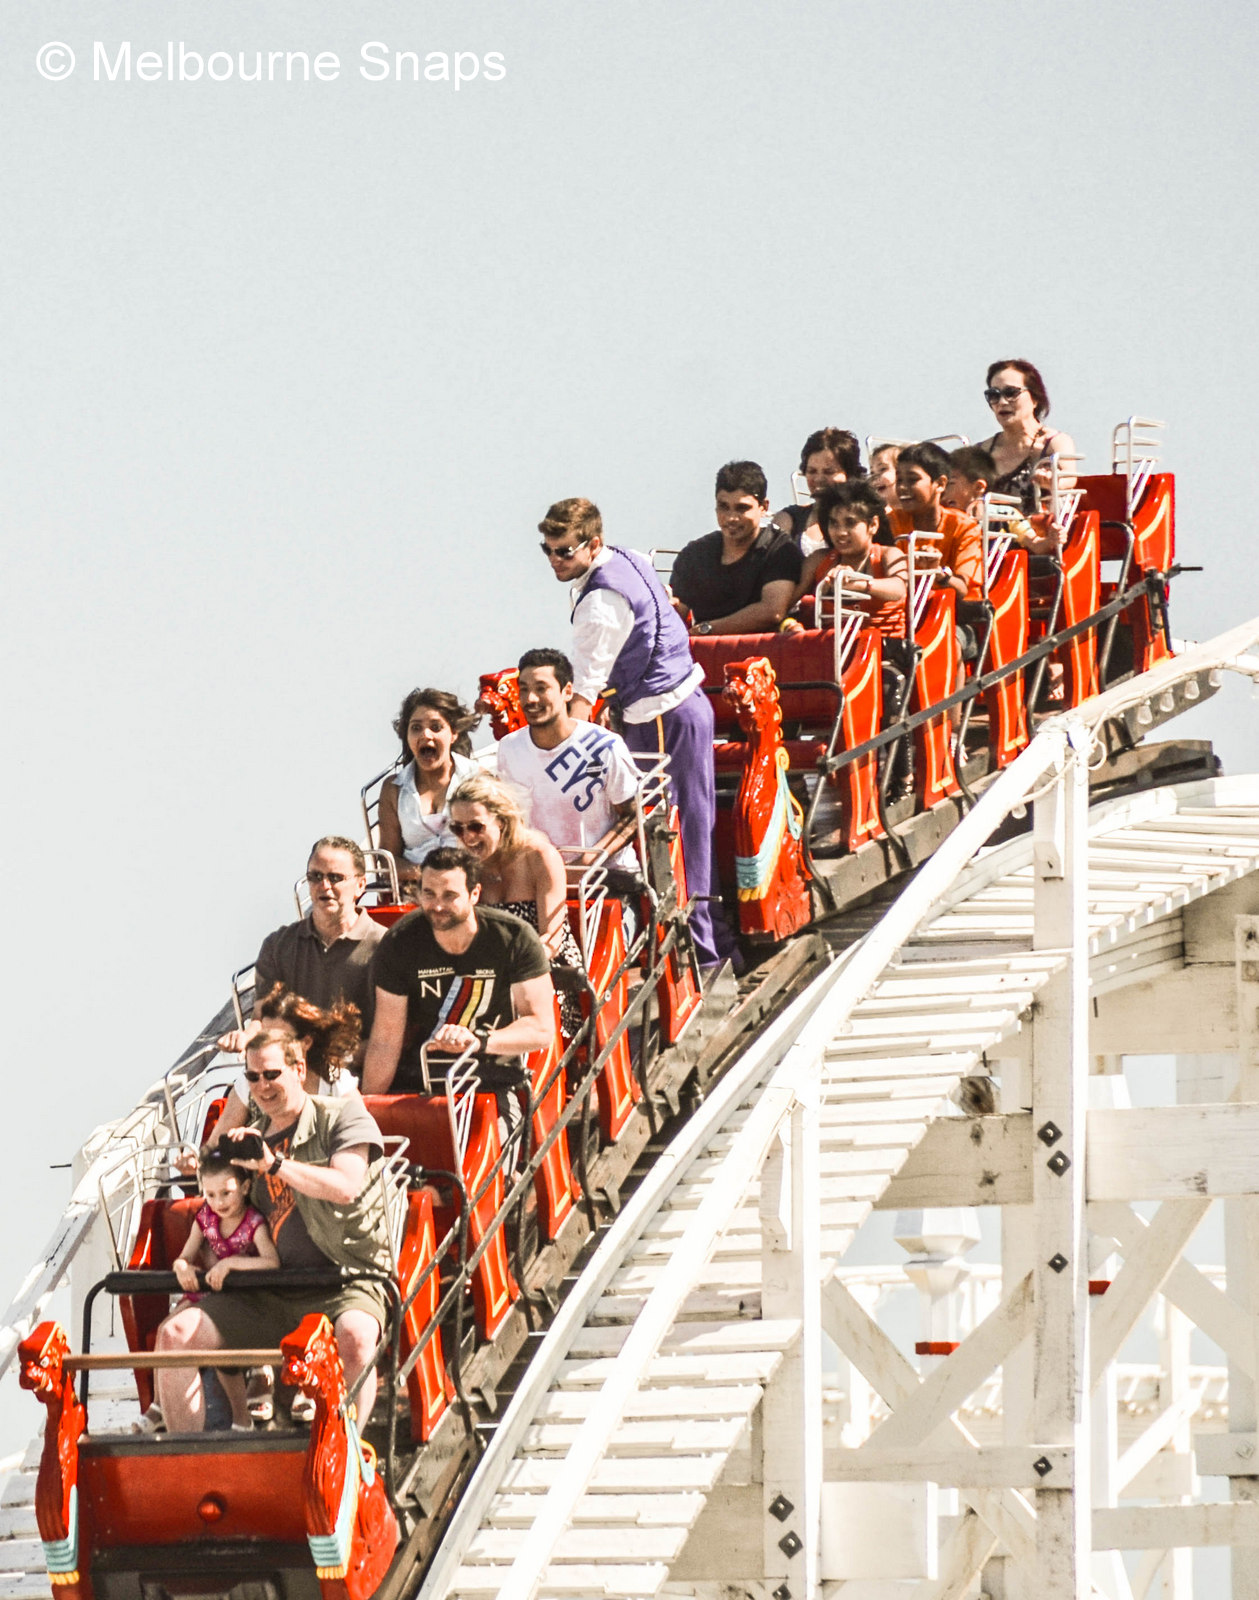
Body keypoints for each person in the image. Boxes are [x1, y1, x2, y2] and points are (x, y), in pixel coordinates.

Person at [154, 1022, 393, 1433]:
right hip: (272, 1286)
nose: (262, 1086)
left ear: (300, 1069)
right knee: (174, 1334)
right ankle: (187, 1460)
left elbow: (346, 1186)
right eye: (252, 1077)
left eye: (271, 1074)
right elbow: (221, 1216)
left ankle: (346, 1448)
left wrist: (274, 1165)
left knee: (354, 1336)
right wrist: (194, 1262)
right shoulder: (247, 1141)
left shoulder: (342, 1116)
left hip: (346, 1281)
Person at [535, 504, 733, 968]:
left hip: (659, 716)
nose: (554, 561)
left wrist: (560, 751)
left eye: (564, 551)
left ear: (593, 544)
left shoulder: (600, 607)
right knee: (693, 826)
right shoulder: (630, 560)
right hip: (683, 702)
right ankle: (713, 942)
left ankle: (701, 951)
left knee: (674, 834)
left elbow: (583, 690)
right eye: (547, 551)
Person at [214, 837, 383, 1138]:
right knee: (242, 1092)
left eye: (335, 878)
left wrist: (327, 1054)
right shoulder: (279, 945)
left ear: (360, 885)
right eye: (315, 877)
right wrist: (245, 1038)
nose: (324, 887)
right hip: (286, 1072)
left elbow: (393, 1037)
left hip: (349, 1075)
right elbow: (263, 1019)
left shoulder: (385, 948)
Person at [361, 847, 556, 1095]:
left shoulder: (513, 937)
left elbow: (541, 1028)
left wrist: (479, 1040)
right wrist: (369, 1110)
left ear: (474, 894)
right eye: (429, 894)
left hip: (491, 1077)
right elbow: (385, 1040)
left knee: (495, 1132)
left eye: (450, 895)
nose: (438, 906)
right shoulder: (400, 942)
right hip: (421, 1078)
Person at [448, 770, 585, 1034]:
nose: (468, 838)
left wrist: (513, 972)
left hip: (546, 966)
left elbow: (551, 938)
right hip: (488, 972)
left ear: (501, 820)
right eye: (458, 828)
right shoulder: (465, 869)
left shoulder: (539, 857)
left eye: (476, 827)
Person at [495, 648, 640, 869]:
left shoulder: (605, 745)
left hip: (605, 875)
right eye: (523, 690)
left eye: (542, 689)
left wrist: (588, 861)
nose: (530, 699)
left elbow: (633, 816)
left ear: (567, 691)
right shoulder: (509, 748)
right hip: (538, 874)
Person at [670, 461, 803, 635]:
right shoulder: (695, 554)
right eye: (724, 507)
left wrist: (707, 629)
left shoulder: (780, 550)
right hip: (703, 656)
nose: (731, 518)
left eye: (742, 508)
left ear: (764, 507)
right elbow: (676, 614)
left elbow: (772, 611)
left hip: (764, 655)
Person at [377, 688, 480, 883]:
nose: (425, 734)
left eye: (436, 727)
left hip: (469, 885)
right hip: (415, 890)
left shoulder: (478, 780)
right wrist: (427, 875)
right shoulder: (394, 789)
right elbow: (387, 861)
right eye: (416, 728)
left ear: (454, 733)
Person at [806, 481, 909, 641]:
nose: (841, 532)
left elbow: (899, 588)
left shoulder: (888, 554)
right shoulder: (819, 560)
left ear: (873, 524)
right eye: (834, 523)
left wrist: (859, 584)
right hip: (832, 650)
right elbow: (788, 603)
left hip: (885, 654)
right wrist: (790, 624)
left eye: (850, 523)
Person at [887, 441, 984, 602]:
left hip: (955, 615)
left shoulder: (964, 527)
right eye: (899, 481)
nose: (903, 488)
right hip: (905, 614)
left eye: (912, 480)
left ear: (940, 484)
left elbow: (962, 589)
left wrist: (937, 573)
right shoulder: (891, 522)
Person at [978, 359, 1076, 513]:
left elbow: (1069, 479)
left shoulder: (1053, 443)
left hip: (1040, 533)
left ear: (1035, 398)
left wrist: (1051, 482)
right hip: (989, 535)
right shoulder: (982, 452)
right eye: (993, 395)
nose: (1002, 402)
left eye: (1011, 393)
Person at [947, 443, 1057, 558]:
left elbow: (1036, 545)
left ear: (978, 487)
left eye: (951, 484)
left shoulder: (1006, 515)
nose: (944, 491)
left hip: (993, 573)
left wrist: (1052, 539)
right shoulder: (943, 517)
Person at [772, 427, 863, 559]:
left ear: (849, 474)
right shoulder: (790, 519)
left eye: (829, 472)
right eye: (812, 471)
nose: (819, 479)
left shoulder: (866, 518)